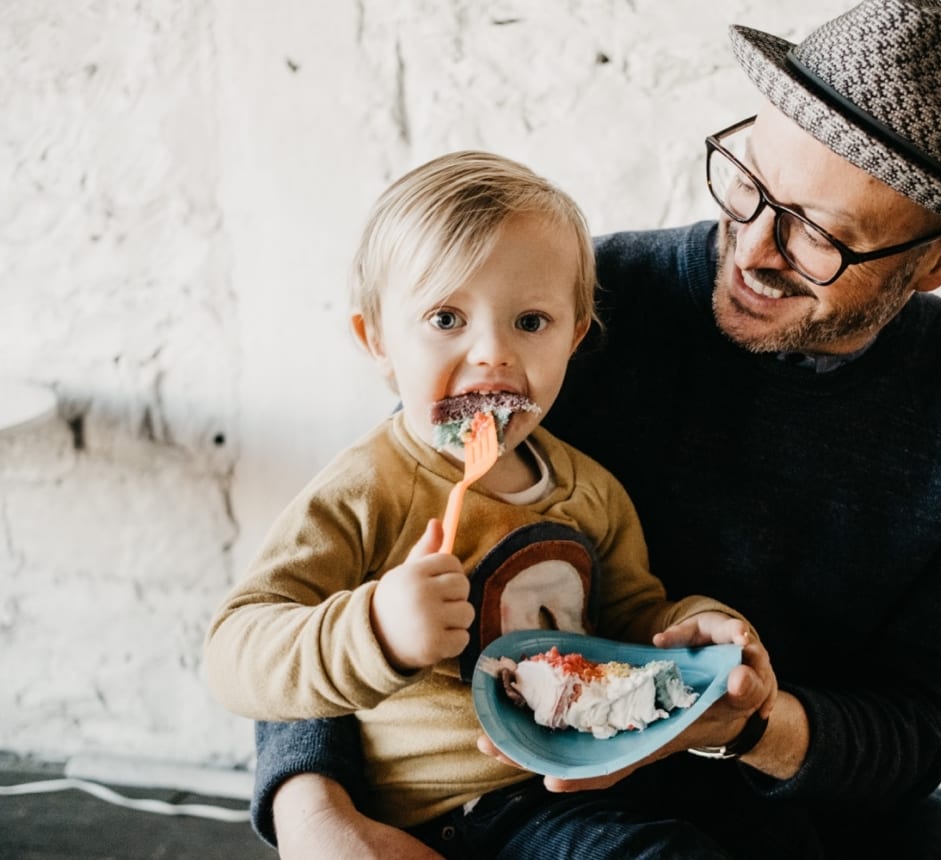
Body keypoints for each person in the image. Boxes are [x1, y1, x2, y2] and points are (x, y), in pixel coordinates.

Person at [251, 1, 941, 857]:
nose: (752, 249)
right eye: (748, 186)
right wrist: (318, 817)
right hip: (512, 798)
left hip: (791, 798)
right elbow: (365, 531)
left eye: (819, 235)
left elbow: (919, 726)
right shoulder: (566, 309)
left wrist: (743, 723)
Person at [203, 150, 772, 857]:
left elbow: (631, 626)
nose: (492, 355)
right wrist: (375, 628)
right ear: (376, 341)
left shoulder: (592, 493)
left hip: (573, 796)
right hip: (430, 814)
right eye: (446, 318)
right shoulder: (367, 490)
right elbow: (233, 651)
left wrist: (694, 627)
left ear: (576, 336)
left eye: (531, 323)